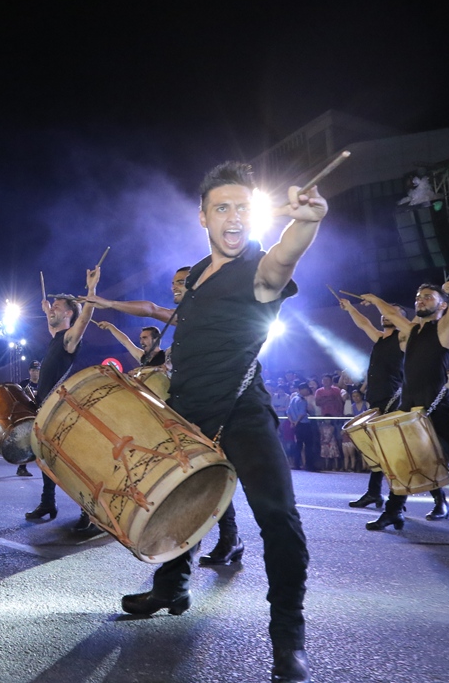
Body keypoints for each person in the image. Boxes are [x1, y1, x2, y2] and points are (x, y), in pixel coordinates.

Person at [119, 162, 322, 683]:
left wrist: (306, 223)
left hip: (242, 411)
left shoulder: (257, 267)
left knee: (278, 518)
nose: (233, 217)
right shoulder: (193, 276)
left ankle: (288, 639)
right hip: (188, 413)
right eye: (222, 208)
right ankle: (172, 588)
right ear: (203, 217)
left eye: (242, 208)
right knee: (178, 511)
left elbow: (283, 260)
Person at [87, 266, 244, 566]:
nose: (175, 286)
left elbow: (151, 310)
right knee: (189, 477)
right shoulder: (181, 325)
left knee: (206, 476)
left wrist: (107, 302)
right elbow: (147, 314)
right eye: (173, 282)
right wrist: (107, 305)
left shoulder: (205, 318)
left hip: (209, 410)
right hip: (179, 413)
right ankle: (193, 553)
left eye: (182, 282)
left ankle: (226, 540)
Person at [360, 272, 449, 529]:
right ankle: (393, 511)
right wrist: (376, 300)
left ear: (443, 305)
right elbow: (392, 314)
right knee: (403, 461)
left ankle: (416, 507)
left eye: (428, 297)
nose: (420, 300)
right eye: (418, 297)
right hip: (411, 408)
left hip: (440, 408)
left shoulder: (445, 329)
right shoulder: (411, 331)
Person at [22, 271, 99, 529]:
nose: (51, 309)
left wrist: (91, 291)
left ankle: (90, 512)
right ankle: (48, 503)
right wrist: (47, 310)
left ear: (68, 313)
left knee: (74, 463)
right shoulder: (56, 338)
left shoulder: (68, 339)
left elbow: (84, 319)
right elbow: (52, 324)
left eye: (56, 306)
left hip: (62, 411)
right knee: (44, 458)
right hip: (47, 409)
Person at [338, 297, 406, 508]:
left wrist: (377, 301)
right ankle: (374, 493)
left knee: (397, 451)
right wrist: (350, 308)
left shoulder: (404, 338)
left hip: (393, 400)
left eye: (392, 312)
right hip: (377, 400)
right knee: (378, 450)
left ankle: (436, 498)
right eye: (384, 312)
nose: (386, 315)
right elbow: (364, 323)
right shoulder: (380, 338)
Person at [95, 322, 165, 367]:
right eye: (140, 338)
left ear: (156, 339)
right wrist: (110, 326)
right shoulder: (142, 356)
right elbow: (125, 341)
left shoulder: (167, 356)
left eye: (145, 338)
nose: (141, 342)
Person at [14, 361, 41, 477]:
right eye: (33, 370)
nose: (35, 373)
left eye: (37, 370)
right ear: (29, 371)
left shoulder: (44, 383)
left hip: (41, 415)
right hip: (28, 416)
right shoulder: (24, 384)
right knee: (27, 441)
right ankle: (22, 467)